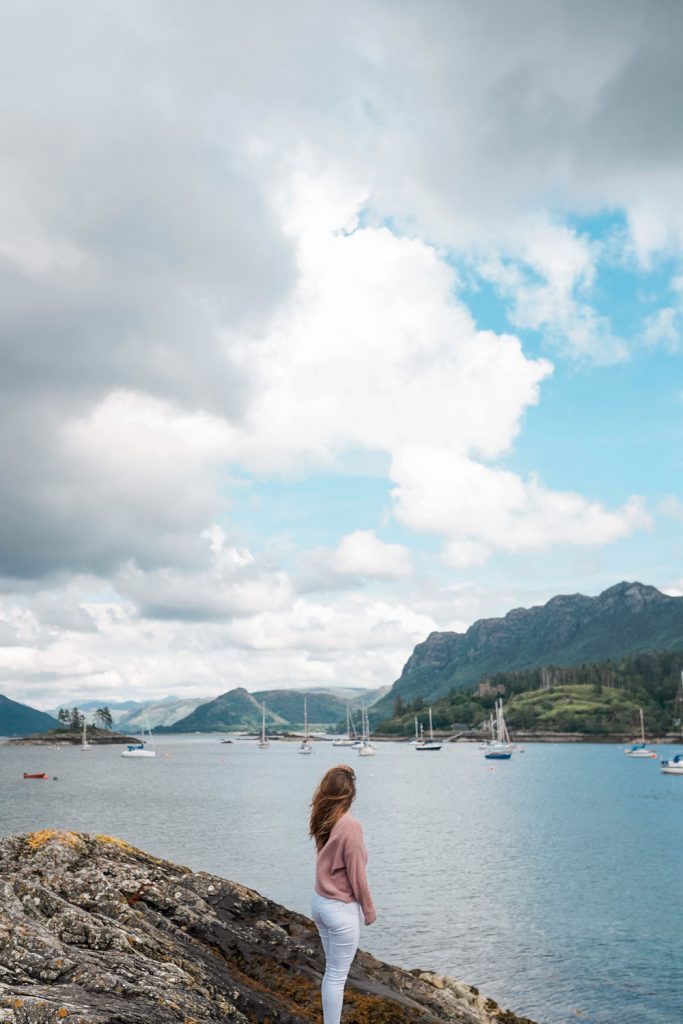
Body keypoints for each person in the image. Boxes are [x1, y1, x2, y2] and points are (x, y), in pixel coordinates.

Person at [309, 764, 376, 1024]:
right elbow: (357, 874)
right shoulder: (350, 826)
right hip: (339, 909)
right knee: (337, 977)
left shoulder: (322, 819)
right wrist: (368, 909)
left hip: (320, 903)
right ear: (351, 795)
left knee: (331, 973)